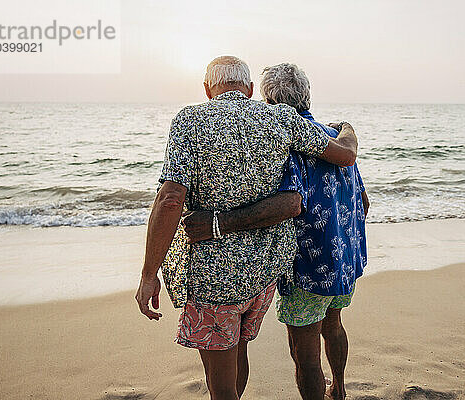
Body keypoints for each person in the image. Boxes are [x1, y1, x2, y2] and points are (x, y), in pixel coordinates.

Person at [135, 56, 359, 400]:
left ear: (208, 89)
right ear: (251, 89)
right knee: (239, 357)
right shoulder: (281, 120)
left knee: (222, 382)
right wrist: (347, 127)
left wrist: (150, 273)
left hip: (215, 278)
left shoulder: (189, 120)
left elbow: (169, 199)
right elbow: (344, 157)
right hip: (263, 276)